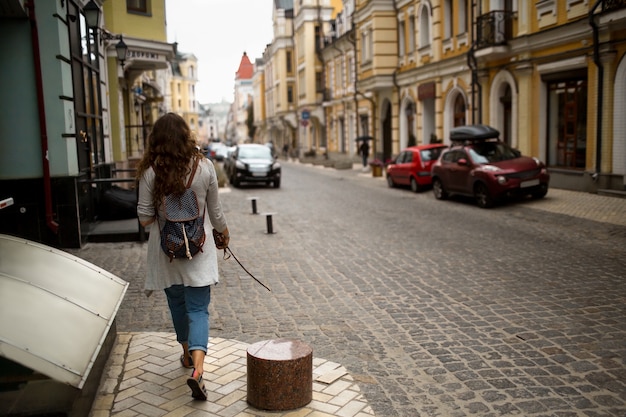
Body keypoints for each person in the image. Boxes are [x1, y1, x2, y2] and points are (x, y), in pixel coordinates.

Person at [136, 112, 230, 401]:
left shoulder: (150, 171)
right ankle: (198, 369)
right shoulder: (205, 167)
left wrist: (167, 216)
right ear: (186, 136)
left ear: (156, 140)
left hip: (167, 252)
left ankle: (186, 356)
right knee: (199, 309)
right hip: (198, 250)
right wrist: (224, 234)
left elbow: (144, 219)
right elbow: (214, 212)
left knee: (177, 303)